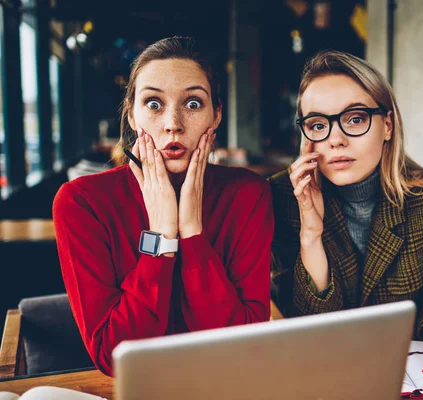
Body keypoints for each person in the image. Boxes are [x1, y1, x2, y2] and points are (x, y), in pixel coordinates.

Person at [53, 37, 274, 376]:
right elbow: (114, 357)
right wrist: (161, 237)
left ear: (216, 116)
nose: (173, 123)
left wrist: (192, 234)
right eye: (154, 103)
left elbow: (242, 347)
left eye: (193, 104)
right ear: (131, 116)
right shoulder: (82, 202)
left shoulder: (247, 193)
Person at [269, 50, 423, 369]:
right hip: (316, 371)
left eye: (355, 119)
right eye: (317, 124)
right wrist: (311, 235)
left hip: (406, 370)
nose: (336, 140)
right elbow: (306, 323)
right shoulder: (281, 197)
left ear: (388, 126)